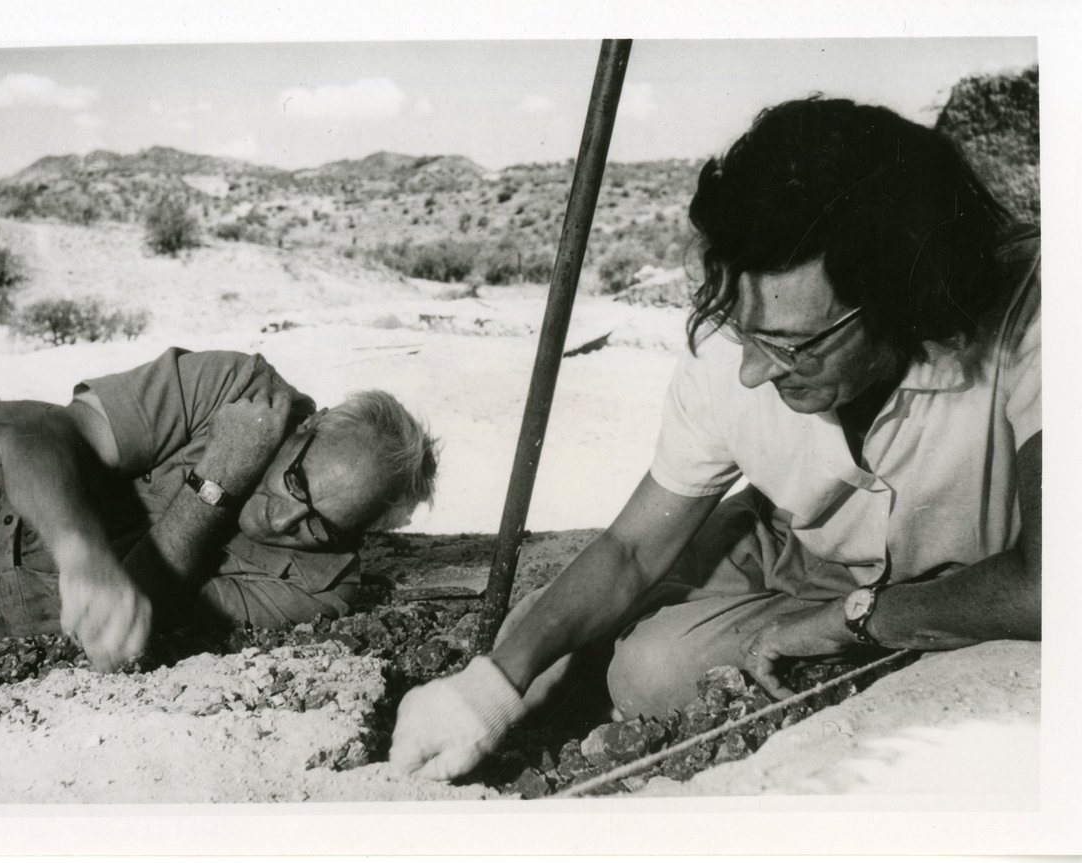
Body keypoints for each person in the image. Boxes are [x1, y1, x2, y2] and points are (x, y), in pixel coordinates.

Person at [390, 97, 1041, 780]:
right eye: (744, 332)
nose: (756, 370)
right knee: (534, 638)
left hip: (962, 581)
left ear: (907, 297)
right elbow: (632, 549)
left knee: (651, 670)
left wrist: (853, 618)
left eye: (795, 347)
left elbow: (1051, 583)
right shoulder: (740, 340)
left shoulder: (1039, 302)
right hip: (796, 547)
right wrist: (485, 690)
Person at [0, 346, 438, 671]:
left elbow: (145, 605)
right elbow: (36, 435)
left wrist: (218, 479)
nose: (282, 520)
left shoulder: (319, 587)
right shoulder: (236, 386)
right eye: (297, 482)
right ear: (309, 425)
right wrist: (80, 553)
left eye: (322, 526)